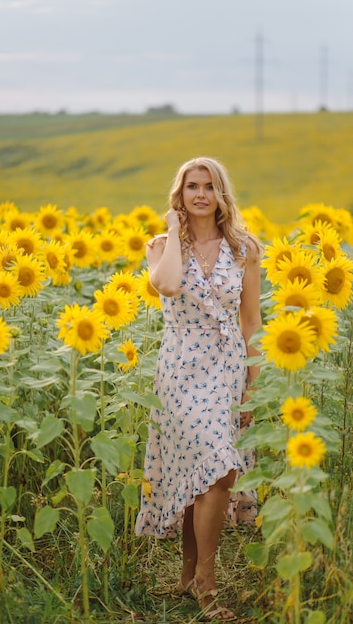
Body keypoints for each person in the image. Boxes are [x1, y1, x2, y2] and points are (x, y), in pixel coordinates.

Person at [135, 157, 263, 621]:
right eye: (192, 187)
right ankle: (203, 584)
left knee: (217, 470)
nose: (201, 194)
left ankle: (193, 577)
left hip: (227, 371)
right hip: (180, 370)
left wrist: (254, 387)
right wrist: (173, 228)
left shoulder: (244, 248)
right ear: (181, 193)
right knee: (207, 469)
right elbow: (167, 286)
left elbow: (252, 322)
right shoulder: (162, 247)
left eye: (210, 186)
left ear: (221, 193)